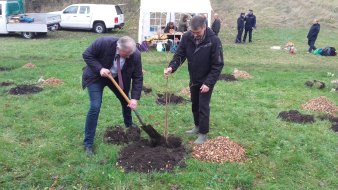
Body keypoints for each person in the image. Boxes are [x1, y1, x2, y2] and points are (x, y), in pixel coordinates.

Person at [164, 15, 224, 144]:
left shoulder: (214, 41)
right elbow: (180, 54)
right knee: (195, 103)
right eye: (193, 31)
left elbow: (218, 64)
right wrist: (171, 67)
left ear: (204, 27)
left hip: (207, 79)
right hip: (194, 77)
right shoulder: (187, 37)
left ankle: (203, 133)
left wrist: (208, 83)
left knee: (203, 105)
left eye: (197, 32)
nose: (195, 35)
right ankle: (197, 126)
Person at [82, 36, 143, 156]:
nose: (129, 56)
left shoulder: (135, 54)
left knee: (127, 101)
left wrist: (134, 98)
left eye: (131, 53)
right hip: (97, 76)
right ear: (118, 48)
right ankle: (88, 143)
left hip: (117, 78)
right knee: (95, 106)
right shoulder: (103, 42)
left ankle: (129, 125)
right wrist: (100, 69)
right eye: (126, 54)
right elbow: (87, 55)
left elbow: (138, 77)